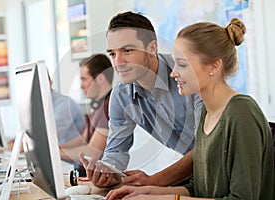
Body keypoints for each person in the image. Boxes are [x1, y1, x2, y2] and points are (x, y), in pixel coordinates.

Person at [106, 18, 274, 200]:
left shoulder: (241, 112)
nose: (172, 72)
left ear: (214, 66)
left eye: (182, 64)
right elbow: (199, 188)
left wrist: (163, 195)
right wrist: (146, 192)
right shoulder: (207, 116)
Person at [80, 11, 203, 188]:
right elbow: (116, 150)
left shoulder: (186, 74)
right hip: (193, 173)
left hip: (224, 164)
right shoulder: (121, 96)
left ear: (152, 48)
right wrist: (108, 171)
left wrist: (154, 181)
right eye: (112, 54)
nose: (118, 62)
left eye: (127, 50)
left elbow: (205, 148)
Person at [60, 54, 114, 175]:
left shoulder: (108, 107)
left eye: (84, 79)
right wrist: (59, 147)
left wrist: (56, 154)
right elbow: (83, 139)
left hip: (95, 177)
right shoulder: (97, 107)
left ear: (100, 78)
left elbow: (93, 152)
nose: (81, 85)